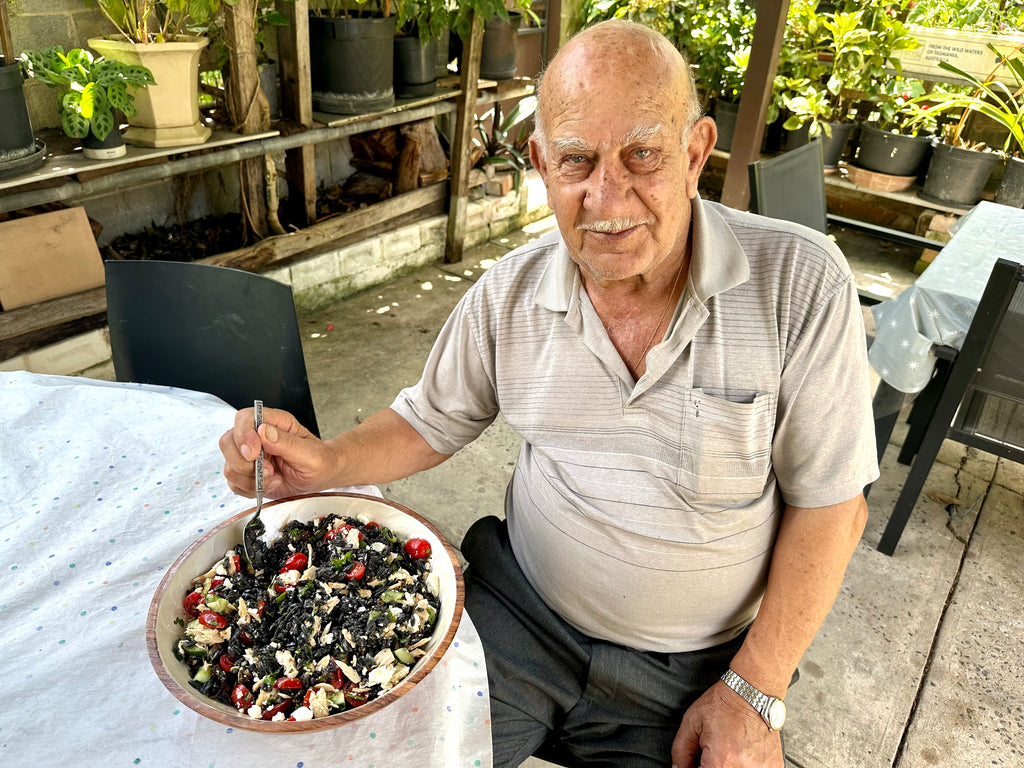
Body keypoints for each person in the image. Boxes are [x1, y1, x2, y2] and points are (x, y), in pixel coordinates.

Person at [220, 19, 879, 768]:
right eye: (576, 160)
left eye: (642, 155)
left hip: (693, 667)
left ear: (696, 152)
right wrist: (326, 460)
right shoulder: (509, 294)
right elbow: (431, 419)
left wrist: (757, 689)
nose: (607, 196)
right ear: (539, 162)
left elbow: (832, 506)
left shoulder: (799, 284)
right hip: (519, 621)